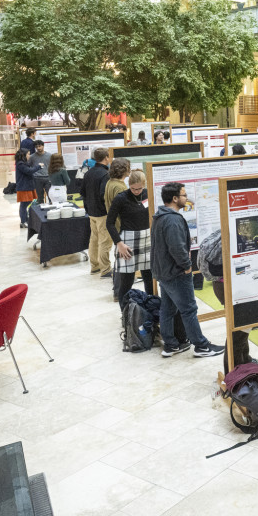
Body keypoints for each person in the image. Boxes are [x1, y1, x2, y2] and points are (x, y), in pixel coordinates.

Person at [151, 182, 224, 358]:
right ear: (175, 198)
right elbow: (176, 248)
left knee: (168, 309)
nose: (187, 198)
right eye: (184, 195)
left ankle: (171, 345)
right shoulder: (173, 220)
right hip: (176, 273)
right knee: (189, 309)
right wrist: (186, 266)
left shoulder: (160, 217)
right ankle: (201, 346)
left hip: (164, 272)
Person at [107, 170, 154, 307]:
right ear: (129, 185)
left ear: (144, 185)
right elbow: (109, 223)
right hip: (127, 242)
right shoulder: (121, 198)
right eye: (133, 188)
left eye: (139, 188)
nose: (136, 191)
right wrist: (119, 243)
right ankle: (125, 315)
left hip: (147, 240)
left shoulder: (148, 194)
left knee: (149, 279)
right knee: (127, 282)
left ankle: (151, 310)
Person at [83, 147, 113, 277]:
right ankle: (105, 269)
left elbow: (82, 192)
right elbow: (103, 195)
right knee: (105, 241)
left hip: (91, 211)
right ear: (106, 158)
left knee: (94, 239)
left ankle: (94, 266)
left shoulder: (88, 173)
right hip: (102, 213)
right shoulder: (105, 174)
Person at [14, 149, 37, 229]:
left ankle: (25, 219)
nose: (29, 156)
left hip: (27, 186)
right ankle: (23, 221)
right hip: (24, 187)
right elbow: (29, 171)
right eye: (28, 154)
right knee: (24, 205)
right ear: (24, 155)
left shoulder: (23, 163)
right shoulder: (20, 164)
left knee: (27, 202)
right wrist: (39, 167)